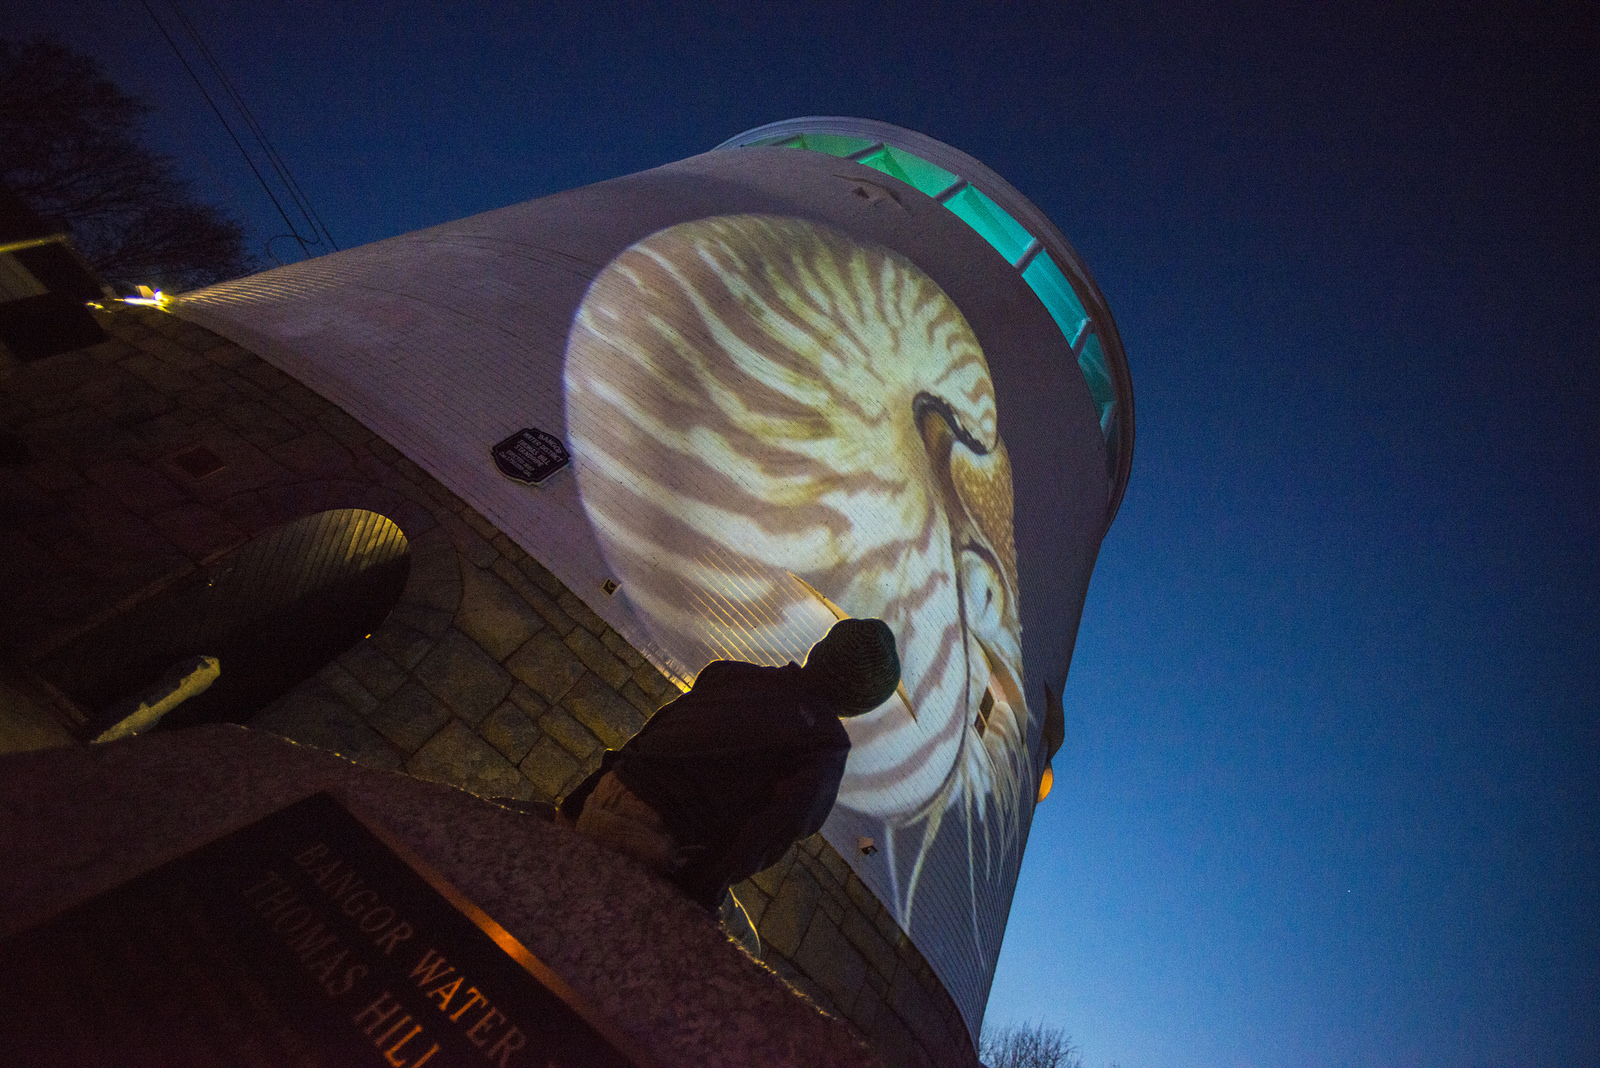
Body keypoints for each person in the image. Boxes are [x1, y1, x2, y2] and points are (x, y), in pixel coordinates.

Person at [559, 618, 901, 911]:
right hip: (655, 840)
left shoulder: (731, 674)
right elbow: (759, 841)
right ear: (861, 705)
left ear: (817, 651)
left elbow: (649, 736)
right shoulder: (824, 751)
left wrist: (575, 804)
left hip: (602, 798)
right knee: (742, 946)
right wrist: (698, 905)